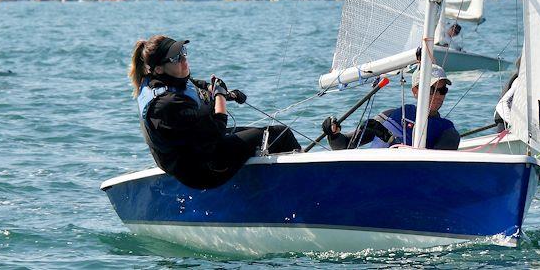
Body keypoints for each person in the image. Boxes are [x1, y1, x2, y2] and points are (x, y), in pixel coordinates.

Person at [130, 35, 300, 189]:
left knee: (269, 135)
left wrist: (223, 91)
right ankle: (301, 190)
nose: (184, 59)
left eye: (183, 52)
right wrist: (219, 96)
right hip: (203, 171)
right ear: (159, 68)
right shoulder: (166, 104)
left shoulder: (163, 81)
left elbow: (198, 86)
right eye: (175, 58)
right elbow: (217, 128)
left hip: (202, 152)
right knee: (281, 135)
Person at [322, 64, 460, 150]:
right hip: (370, 179)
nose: (438, 96)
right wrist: (333, 134)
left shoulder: (448, 132)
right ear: (415, 91)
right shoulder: (391, 116)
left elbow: (433, 169)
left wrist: (390, 140)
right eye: (431, 89)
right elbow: (344, 146)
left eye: (442, 90)